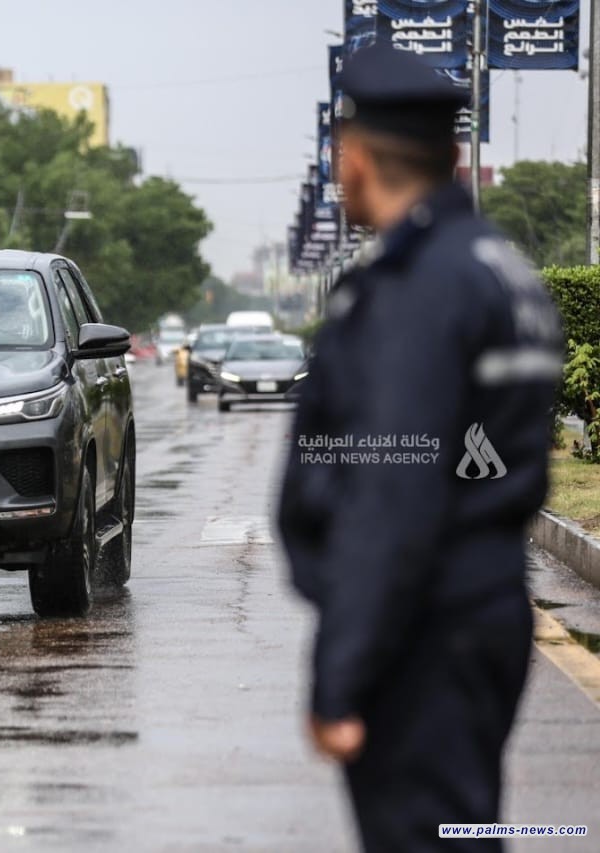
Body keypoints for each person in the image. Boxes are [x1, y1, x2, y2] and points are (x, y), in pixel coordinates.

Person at [277, 44, 562, 852]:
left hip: (423, 624)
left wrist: (341, 676)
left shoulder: (421, 288)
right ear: (455, 157)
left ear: (358, 161)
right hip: (481, 604)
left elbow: (392, 492)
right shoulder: (502, 270)